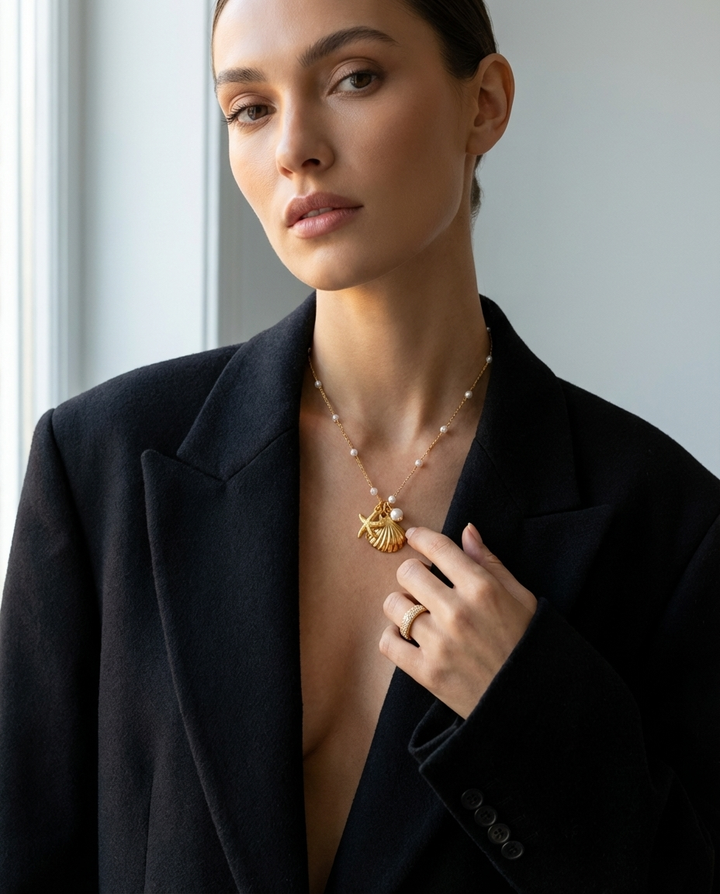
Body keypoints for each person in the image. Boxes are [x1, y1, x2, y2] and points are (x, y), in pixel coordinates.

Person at [1, 0, 718, 891]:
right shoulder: (98, 465)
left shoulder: (670, 525)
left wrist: (529, 715)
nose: (293, 147)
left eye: (354, 79)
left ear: (485, 103)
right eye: (250, 108)